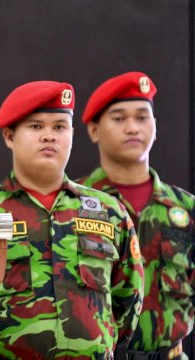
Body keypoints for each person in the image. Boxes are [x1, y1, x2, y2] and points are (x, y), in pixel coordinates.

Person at [0, 80, 144, 359]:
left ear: (72, 134)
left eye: (59, 127)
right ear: (9, 136)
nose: (49, 136)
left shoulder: (109, 211)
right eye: (35, 126)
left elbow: (128, 298)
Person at [77, 72, 194, 360]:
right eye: (118, 118)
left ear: (156, 126)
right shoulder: (74, 204)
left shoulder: (185, 209)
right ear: (94, 130)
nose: (132, 128)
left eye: (142, 117)